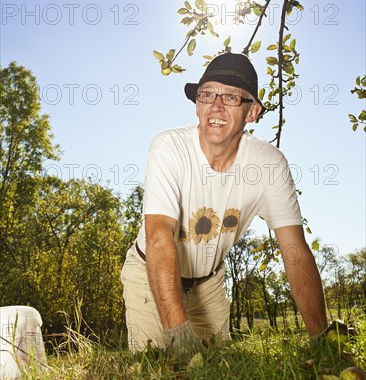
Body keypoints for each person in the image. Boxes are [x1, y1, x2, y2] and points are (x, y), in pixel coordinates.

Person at [121, 52, 332, 354]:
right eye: (207, 94)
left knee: (218, 372)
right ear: (197, 105)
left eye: (231, 97)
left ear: (252, 112)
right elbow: (158, 236)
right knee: (154, 372)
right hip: (149, 274)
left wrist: (320, 338)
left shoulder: (269, 165)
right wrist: (179, 336)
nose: (216, 106)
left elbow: (295, 252)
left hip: (208, 285)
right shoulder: (168, 147)